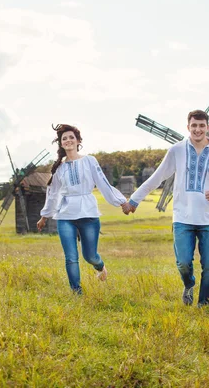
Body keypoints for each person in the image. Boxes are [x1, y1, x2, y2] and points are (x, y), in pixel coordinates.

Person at [124, 110, 209, 307]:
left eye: (201, 125)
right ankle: (189, 284)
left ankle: (204, 305)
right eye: (194, 125)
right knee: (183, 263)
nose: (198, 129)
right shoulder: (176, 151)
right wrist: (134, 200)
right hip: (183, 217)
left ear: (207, 128)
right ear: (188, 127)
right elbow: (157, 177)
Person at [37, 124, 132, 294]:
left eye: (71, 137)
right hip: (65, 215)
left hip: (88, 213)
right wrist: (45, 216)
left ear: (78, 141)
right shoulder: (58, 167)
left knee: (90, 256)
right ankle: (76, 292)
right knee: (71, 258)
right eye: (64, 138)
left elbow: (103, 183)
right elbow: (53, 193)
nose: (68, 140)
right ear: (61, 143)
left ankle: (100, 267)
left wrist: (121, 202)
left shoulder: (89, 161)